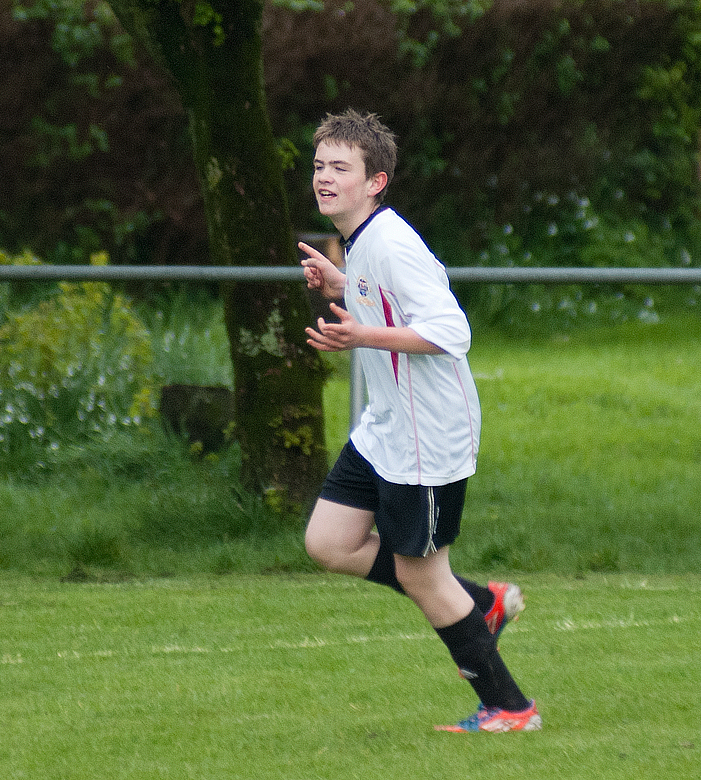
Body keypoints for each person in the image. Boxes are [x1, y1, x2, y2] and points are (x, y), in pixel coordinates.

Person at [299, 109, 541, 733]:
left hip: (427, 435)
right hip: (386, 427)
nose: (324, 178)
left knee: (420, 575)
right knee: (329, 542)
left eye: (340, 168)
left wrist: (361, 333)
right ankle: (482, 603)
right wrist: (342, 282)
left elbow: (450, 330)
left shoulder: (392, 241)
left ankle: (511, 708)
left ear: (375, 181)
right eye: (320, 165)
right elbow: (384, 295)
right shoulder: (365, 241)